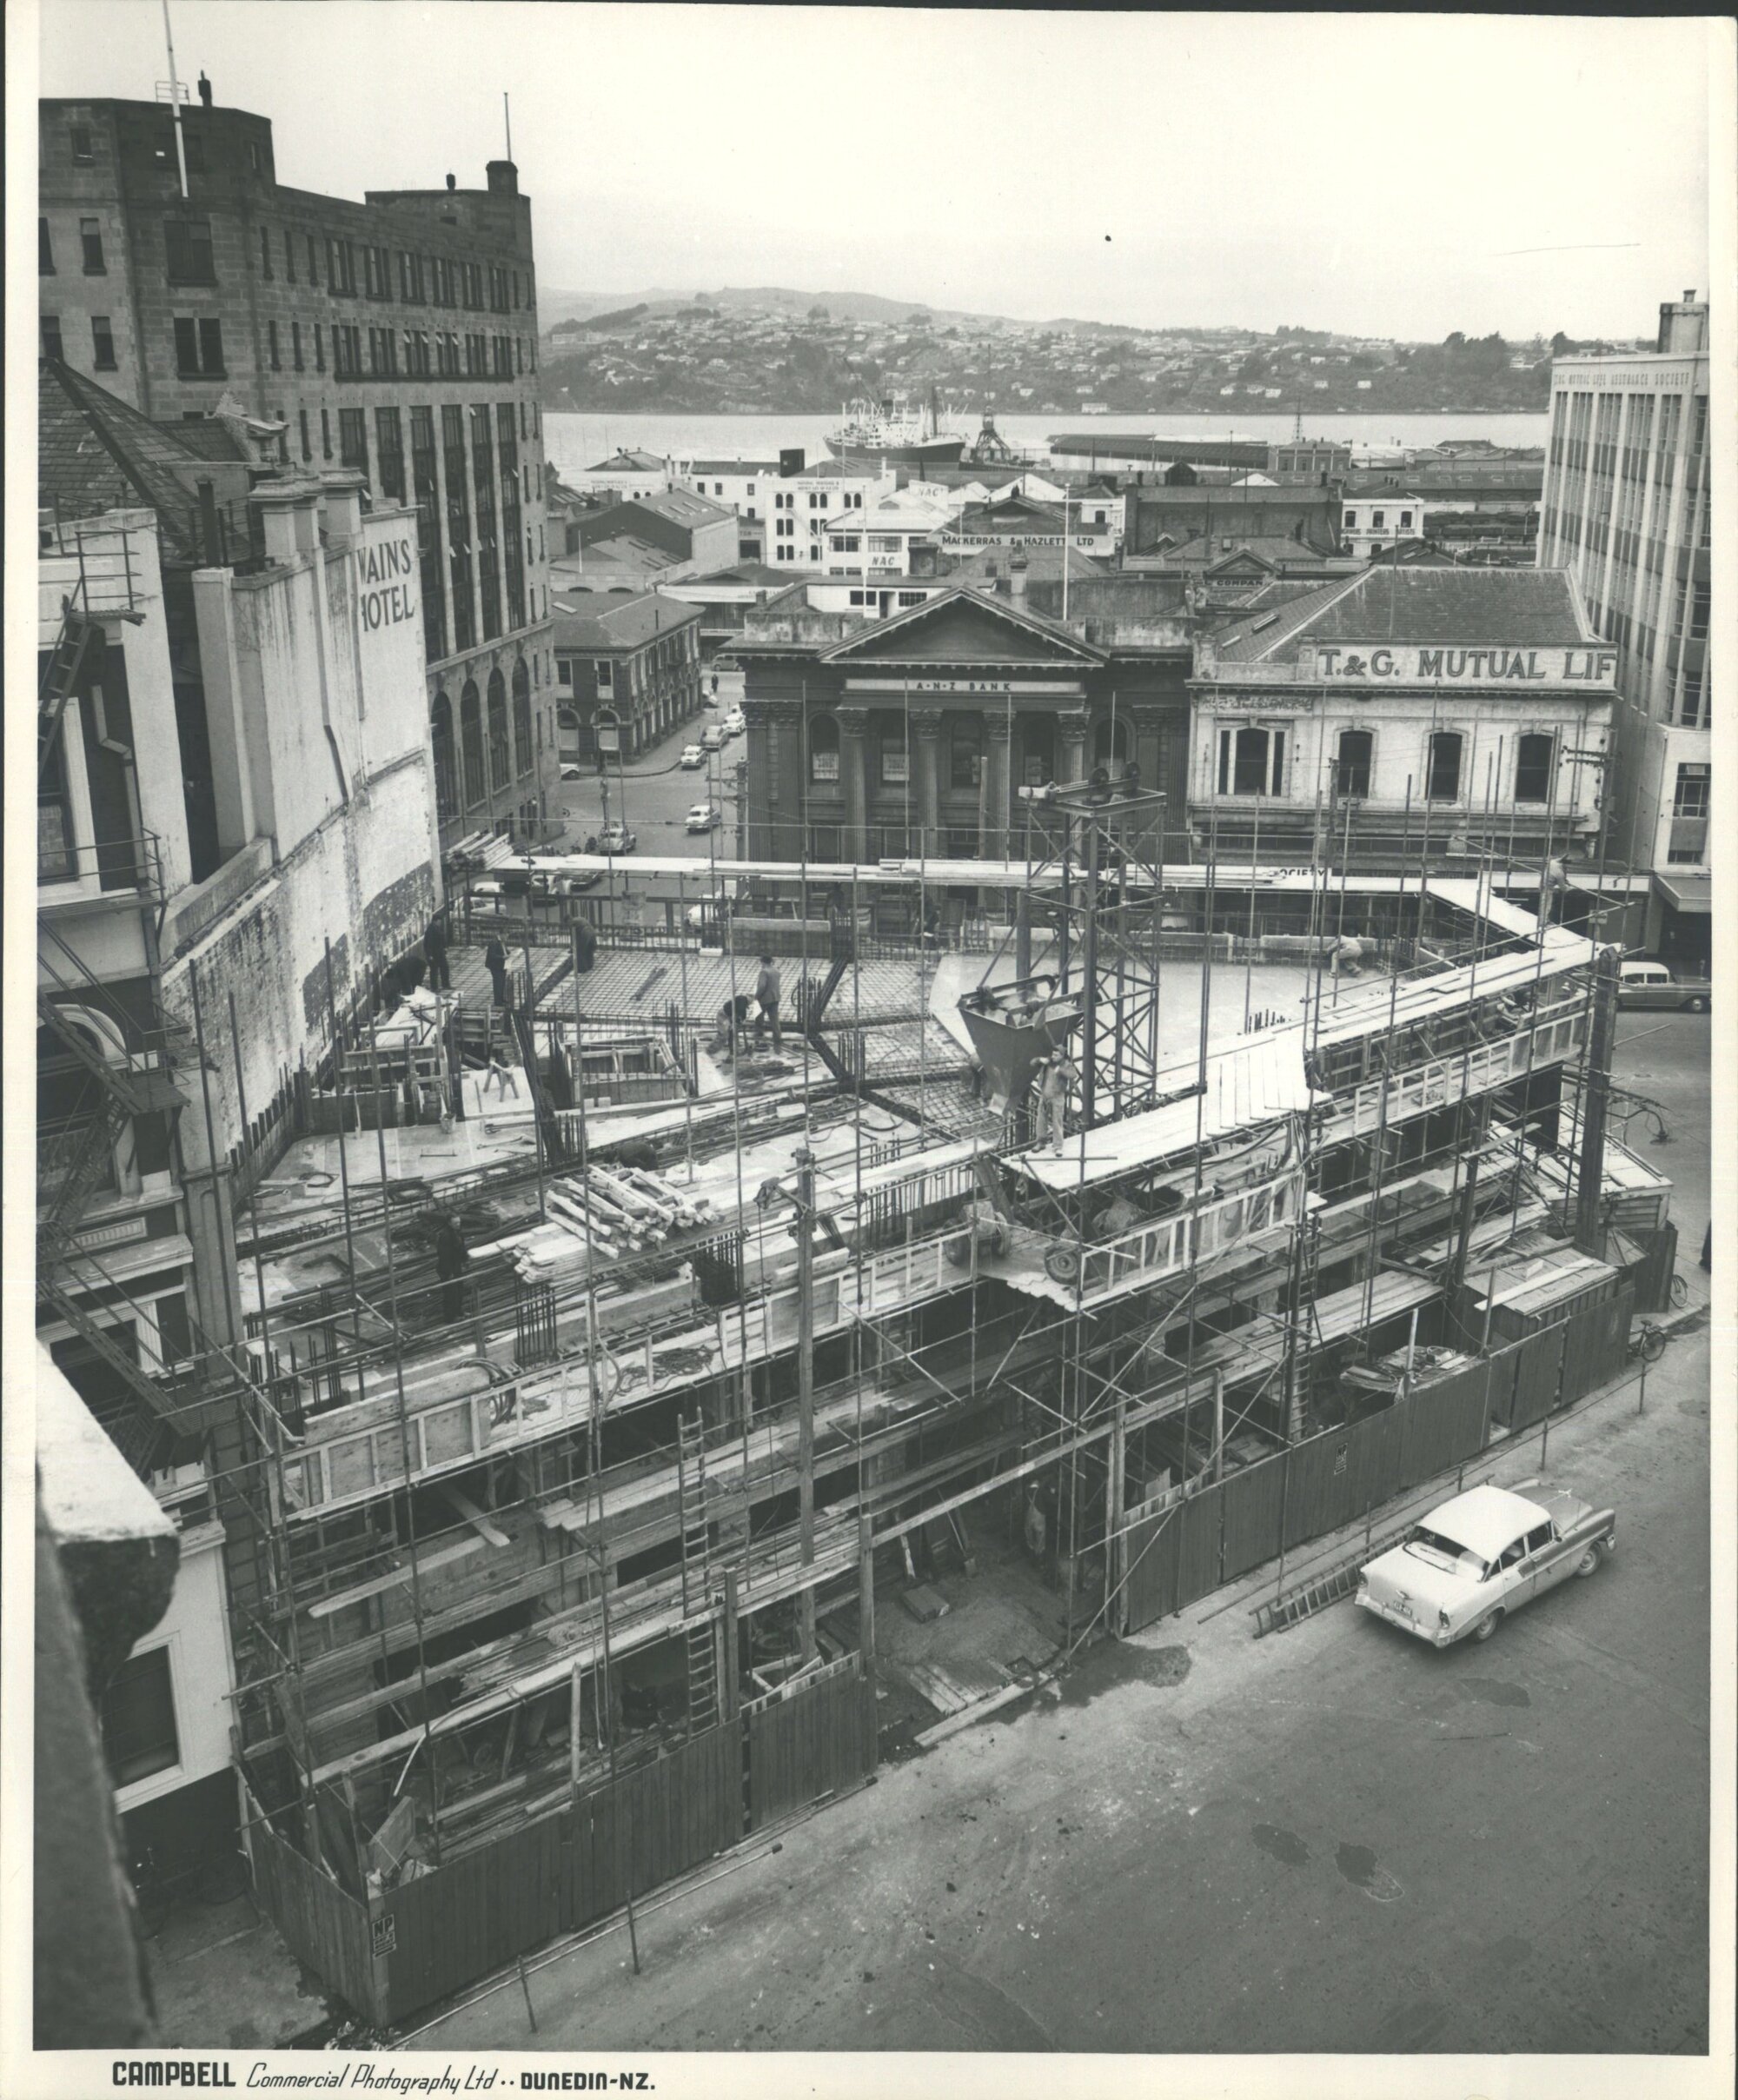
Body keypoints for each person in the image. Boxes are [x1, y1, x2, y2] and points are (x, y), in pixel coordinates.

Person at [434, 1213, 470, 1326]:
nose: (458, 1224)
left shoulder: (458, 1232)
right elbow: (443, 1256)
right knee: (450, 1294)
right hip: (448, 1269)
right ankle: (449, 1318)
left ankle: (459, 1312)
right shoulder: (445, 1236)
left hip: (456, 1265)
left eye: (459, 1222)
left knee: (459, 1290)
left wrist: (465, 1259)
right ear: (449, 1223)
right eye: (455, 1223)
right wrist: (448, 1273)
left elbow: (461, 1247)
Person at [1038, 1048, 1078, 1154]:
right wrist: (1039, 1059)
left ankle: (1058, 1147)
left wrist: (1060, 1070)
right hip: (1044, 1096)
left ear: (1062, 1056)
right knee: (1041, 1120)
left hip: (1057, 1097)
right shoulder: (1048, 1061)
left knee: (1057, 1122)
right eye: (1053, 1054)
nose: (1053, 1056)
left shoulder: (1066, 1064)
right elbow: (1032, 1062)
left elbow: (1073, 1074)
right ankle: (1041, 1143)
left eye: (1056, 1055)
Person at [753, 954, 783, 1050]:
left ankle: (759, 1033)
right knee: (774, 1019)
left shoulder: (764, 972)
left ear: (763, 962)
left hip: (765, 999)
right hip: (775, 998)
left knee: (758, 1015)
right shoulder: (776, 971)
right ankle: (777, 1038)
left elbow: (762, 986)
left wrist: (756, 997)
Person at [424, 907, 451, 992]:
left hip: (440, 952)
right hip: (434, 954)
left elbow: (441, 939)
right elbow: (427, 944)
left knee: (445, 967)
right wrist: (430, 955)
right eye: (440, 921)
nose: (441, 923)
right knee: (434, 971)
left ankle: (445, 984)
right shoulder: (430, 930)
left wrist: (444, 948)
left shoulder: (437, 928)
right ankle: (434, 987)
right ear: (436, 921)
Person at [483, 932, 509, 1010]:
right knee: (498, 983)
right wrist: (502, 957)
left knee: (502, 982)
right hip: (495, 966)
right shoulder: (494, 942)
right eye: (506, 937)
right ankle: (498, 1001)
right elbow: (492, 955)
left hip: (502, 965)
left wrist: (509, 953)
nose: (506, 939)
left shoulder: (502, 942)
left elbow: (504, 950)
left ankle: (501, 999)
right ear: (502, 935)